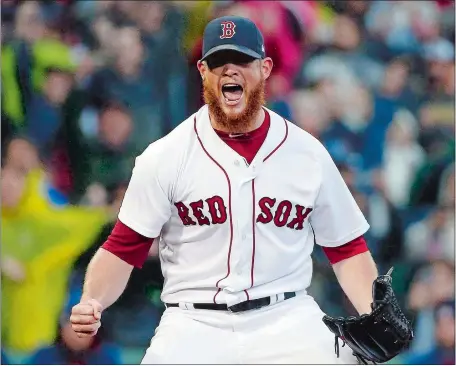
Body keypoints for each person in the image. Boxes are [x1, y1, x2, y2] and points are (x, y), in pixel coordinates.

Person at [70, 16, 398, 364]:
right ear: (202, 71)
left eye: (242, 60)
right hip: (193, 323)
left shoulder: (307, 154)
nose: (230, 71)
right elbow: (122, 248)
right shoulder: (165, 156)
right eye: (218, 62)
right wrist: (93, 299)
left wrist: (372, 310)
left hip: (286, 318)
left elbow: (347, 248)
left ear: (265, 68)